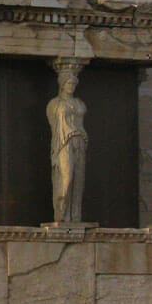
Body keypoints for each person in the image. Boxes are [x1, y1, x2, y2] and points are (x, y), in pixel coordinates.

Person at [47, 68, 87, 223]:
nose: (71, 86)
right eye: (69, 83)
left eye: (73, 83)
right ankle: (62, 216)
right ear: (62, 84)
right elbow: (54, 126)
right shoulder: (54, 103)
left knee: (78, 182)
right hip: (63, 142)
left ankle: (75, 217)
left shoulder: (79, 103)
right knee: (66, 179)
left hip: (80, 141)